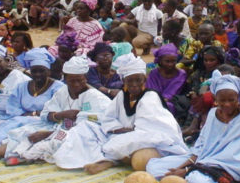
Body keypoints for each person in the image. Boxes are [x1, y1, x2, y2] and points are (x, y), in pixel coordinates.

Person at [51, 56, 188, 174]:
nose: (134, 85)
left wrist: (126, 132)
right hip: (120, 133)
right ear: (124, 82)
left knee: (122, 148)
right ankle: (108, 158)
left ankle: (110, 160)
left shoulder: (150, 96)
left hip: (153, 138)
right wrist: (117, 129)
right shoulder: (122, 95)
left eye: (138, 80)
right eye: (130, 81)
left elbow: (149, 128)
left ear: (144, 80)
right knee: (85, 128)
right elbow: (108, 117)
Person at [146, 70, 240, 183]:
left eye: (231, 100)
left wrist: (188, 170)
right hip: (205, 158)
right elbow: (202, 144)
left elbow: (229, 155)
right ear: (215, 100)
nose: (227, 104)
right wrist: (181, 166)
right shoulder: (212, 114)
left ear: (238, 99)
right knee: (154, 167)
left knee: (196, 179)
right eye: (222, 100)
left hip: (232, 164)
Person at [146, 43, 187, 114]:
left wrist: (162, 100)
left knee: (168, 106)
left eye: (173, 61)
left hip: (171, 102)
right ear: (160, 61)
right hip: (154, 101)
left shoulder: (181, 74)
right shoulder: (154, 73)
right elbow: (151, 91)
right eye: (167, 61)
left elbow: (171, 93)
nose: (170, 64)